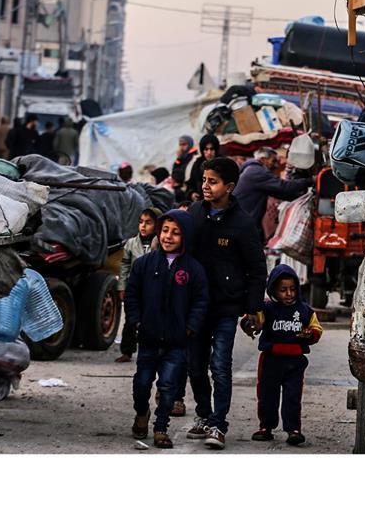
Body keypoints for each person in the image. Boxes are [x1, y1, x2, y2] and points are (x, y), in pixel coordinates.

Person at [184, 157, 266, 450]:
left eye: (212, 181)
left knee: (219, 365)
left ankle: (218, 423)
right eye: (204, 180)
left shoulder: (243, 224)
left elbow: (257, 268)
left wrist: (254, 307)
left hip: (226, 309)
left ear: (229, 187)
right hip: (195, 308)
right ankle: (203, 415)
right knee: (194, 365)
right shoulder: (194, 213)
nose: (206, 186)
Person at [124, 209, 208, 449]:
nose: (168, 237)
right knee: (141, 382)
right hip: (149, 339)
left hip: (177, 342)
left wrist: (190, 328)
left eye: (176, 233)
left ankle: (161, 427)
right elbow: (132, 295)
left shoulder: (193, 269)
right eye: (165, 231)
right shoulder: (144, 264)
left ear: (186, 237)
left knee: (168, 386)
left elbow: (200, 301)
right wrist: (137, 321)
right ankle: (142, 413)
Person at [243, 263, 322, 447]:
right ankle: (266, 427)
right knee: (267, 395)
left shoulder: (305, 310)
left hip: (295, 362)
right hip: (271, 360)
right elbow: (252, 320)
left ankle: (293, 430)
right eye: (283, 290)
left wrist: (310, 334)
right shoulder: (267, 308)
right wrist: (250, 325)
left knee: (292, 397)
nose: (289, 294)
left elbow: (317, 328)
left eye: (293, 289)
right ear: (273, 290)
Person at [117, 208, 161, 363]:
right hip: (135, 288)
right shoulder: (131, 243)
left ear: (156, 226)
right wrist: (122, 286)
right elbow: (124, 266)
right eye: (141, 222)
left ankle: (150, 351)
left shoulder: (161, 243)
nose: (143, 226)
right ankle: (127, 351)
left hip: (153, 289)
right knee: (130, 320)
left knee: (150, 320)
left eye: (148, 223)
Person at [235, 148, 315, 235]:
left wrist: (302, 196)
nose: (276, 165)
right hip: (244, 220)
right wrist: (310, 181)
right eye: (273, 161)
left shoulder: (251, 169)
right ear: (263, 159)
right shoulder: (257, 171)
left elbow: (279, 193)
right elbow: (283, 186)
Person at [186, 135, 219, 202]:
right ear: (202, 150)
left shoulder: (223, 163)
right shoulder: (197, 164)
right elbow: (191, 184)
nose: (209, 153)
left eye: (212, 149)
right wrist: (192, 193)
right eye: (206, 149)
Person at [171, 135, 199, 205]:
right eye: (180, 145)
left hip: (189, 190)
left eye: (184, 144)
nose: (181, 147)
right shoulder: (182, 158)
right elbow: (174, 174)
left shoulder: (193, 158)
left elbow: (180, 174)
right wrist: (178, 159)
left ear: (189, 144)